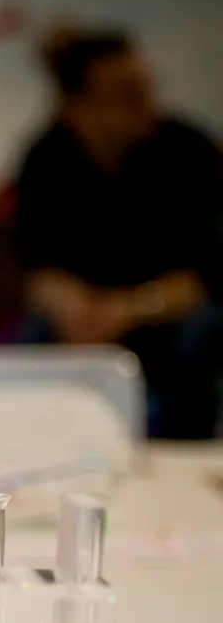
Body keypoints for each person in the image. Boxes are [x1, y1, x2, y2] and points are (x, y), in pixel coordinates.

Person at [16, 27, 223, 440]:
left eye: (147, 89)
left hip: (165, 318)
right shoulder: (47, 157)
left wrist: (127, 309)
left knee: (201, 334)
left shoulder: (190, 151)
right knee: (27, 346)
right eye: (129, 94)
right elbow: (35, 267)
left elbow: (206, 276)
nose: (148, 104)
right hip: (83, 323)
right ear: (78, 107)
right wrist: (72, 307)